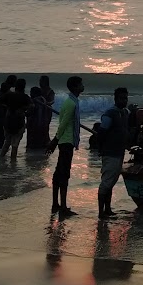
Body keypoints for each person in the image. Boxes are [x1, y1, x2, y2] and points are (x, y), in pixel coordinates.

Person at [93, 86, 131, 220]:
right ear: (115, 99)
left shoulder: (125, 113)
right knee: (106, 182)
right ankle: (100, 212)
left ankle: (108, 209)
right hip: (110, 153)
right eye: (121, 98)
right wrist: (101, 148)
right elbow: (102, 132)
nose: (124, 100)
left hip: (120, 152)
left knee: (112, 181)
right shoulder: (110, 114)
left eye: (125, 98)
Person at [51, 75, 83, 218]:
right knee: (64, 174)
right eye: (81, 84)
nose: (83, 86)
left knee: (59, 172)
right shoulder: (71, 103)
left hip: (65, 141)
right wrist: (55, 140)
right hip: (66, 142)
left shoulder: (71, 101)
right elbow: (63, 124)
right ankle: (62, 207)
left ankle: (56, 204)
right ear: (75, 87)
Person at [3, 78, 32, 157]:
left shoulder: (9, 95)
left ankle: (0, 159)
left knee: (7, 142)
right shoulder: (25, 97)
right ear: (24, 87)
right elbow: (31, 106)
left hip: (8, 121)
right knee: (15, 145)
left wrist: (8, 108)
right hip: (19, 122)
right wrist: (23, 110)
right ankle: (13, 164)